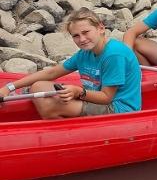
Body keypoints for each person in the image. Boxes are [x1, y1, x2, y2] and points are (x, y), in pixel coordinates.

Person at [0, 8, 141, 119]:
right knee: (38, 86)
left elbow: (106, 98)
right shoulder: (85, 53)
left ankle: (66, 135)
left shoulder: (113, 54)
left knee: (49, 106)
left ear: (101, 28)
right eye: (76, 36)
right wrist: (10, 87)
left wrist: (78, 92)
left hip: (118, 108)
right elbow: (51, 72)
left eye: (86, 32)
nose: (82, 39)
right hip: (94, 98)